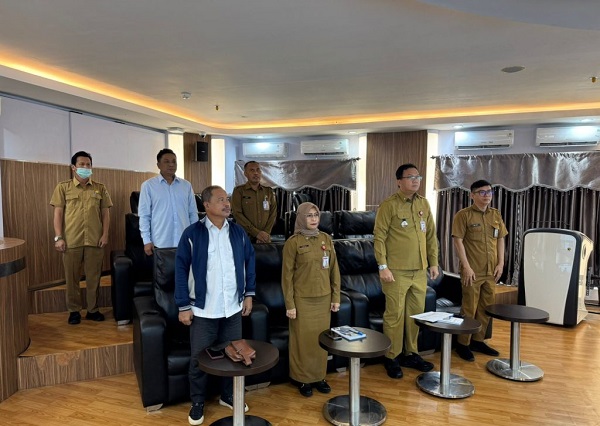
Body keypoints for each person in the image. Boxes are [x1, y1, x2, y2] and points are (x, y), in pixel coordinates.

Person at [174, 185, 255, 426]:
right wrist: (183, 306)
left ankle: (228, 395)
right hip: (203, 310)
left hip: (232, 308)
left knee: (234, 355)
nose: (227, 203)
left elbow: (249, 262)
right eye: (220, 200)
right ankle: (198, 401)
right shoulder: (192, 234)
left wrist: (248, 294)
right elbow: (180, 270)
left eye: (227, 199)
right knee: (199, 359)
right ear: (206, 205)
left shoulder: (238, 232)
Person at [374, 163, 438, 379]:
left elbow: (431, 235)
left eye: (418, 176)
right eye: (410, 177)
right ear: (399, 181)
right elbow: (379, 237)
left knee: (415, 315)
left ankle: (411, 353)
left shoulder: (423, 203)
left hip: (419, 271)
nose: (415, 180)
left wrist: (434, 263)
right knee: (395, 315)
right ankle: (391, 356)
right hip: (396, 272)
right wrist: (383, 266)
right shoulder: (389, 205)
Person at [281, 202, 341, 397]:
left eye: (316, 215)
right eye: (309, 215)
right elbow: (287, 277)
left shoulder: (326, 239)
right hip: (302, 300)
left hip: (323, 299)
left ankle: (319, 377)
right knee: (302, 341)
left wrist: (336, 297)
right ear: (301, 218)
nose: (314, 219)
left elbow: (334, 270)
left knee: (321, 339)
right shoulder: (293, 242)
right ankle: (302, 379)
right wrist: (290, 304)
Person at [50, 151, 113, 325]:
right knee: (72, 279)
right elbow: (58, 214)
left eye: (88, 164)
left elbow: (105, 214)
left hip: (95, 240)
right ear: (73, 167)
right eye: (82, 164)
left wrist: (105, 234)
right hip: (71, 241)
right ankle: (74, 311)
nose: (86, 167)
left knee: (94, 278)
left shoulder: (100, 188)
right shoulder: (63, 187)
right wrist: (58, 237)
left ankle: (93, 310)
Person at [452, 179, 508, 362]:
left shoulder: (495, 214)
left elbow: (500, 239)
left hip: (491, 271)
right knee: (469, 308)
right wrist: (466, 267)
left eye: (489, 192)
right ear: (472, 195)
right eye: (482, 192)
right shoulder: (463, 215)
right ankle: (463, 344)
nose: (486, 195)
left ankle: (478, 341)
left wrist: (501, 263)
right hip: (472, 271)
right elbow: (458, 241)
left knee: (485, 307)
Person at [138, 148, 198, 255]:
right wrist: (146, 240)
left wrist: (195, 236)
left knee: (185, 267)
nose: (171, 165)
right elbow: (144, 215)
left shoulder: (186, 186)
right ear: (158, 165)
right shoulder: (148, 186)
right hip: (160, 242)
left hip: (185, 241)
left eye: (174, 162)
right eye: (166, 162)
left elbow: (193, 213)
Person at [231, 161, 277, 243]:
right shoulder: (239, 191)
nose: (256, 173)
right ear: (245, 173)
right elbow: (237, 213)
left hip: (264, 239)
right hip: (244, 237)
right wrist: (256, 233)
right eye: (252, 170)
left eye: (258, 170)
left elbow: (273, 213)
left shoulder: (268, 191)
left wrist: (265, 233)